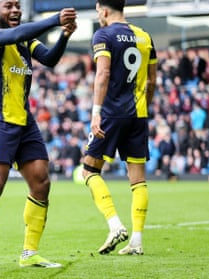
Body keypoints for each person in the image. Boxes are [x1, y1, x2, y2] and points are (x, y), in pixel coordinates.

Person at [0, 0, 77, 271]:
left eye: (18, 5)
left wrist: (64, 35)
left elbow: (50, 59)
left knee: (41, 182)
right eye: (8, 5)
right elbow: (16, 34)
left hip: (24, 118)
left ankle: (30, 252)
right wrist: (55, 19)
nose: (15, 9)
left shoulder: (25, 40)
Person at [81, 0, 157, 256]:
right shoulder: (145, 37)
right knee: (138, 180)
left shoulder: (103, 35)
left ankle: (115, 225)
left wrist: (95, 113)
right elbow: (152, 80)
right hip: (138, 114)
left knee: (89, 170)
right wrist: (143, 107)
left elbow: (102, 74)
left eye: (97, 11)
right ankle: (136, 241)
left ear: (103, 10)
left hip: (112, 114)